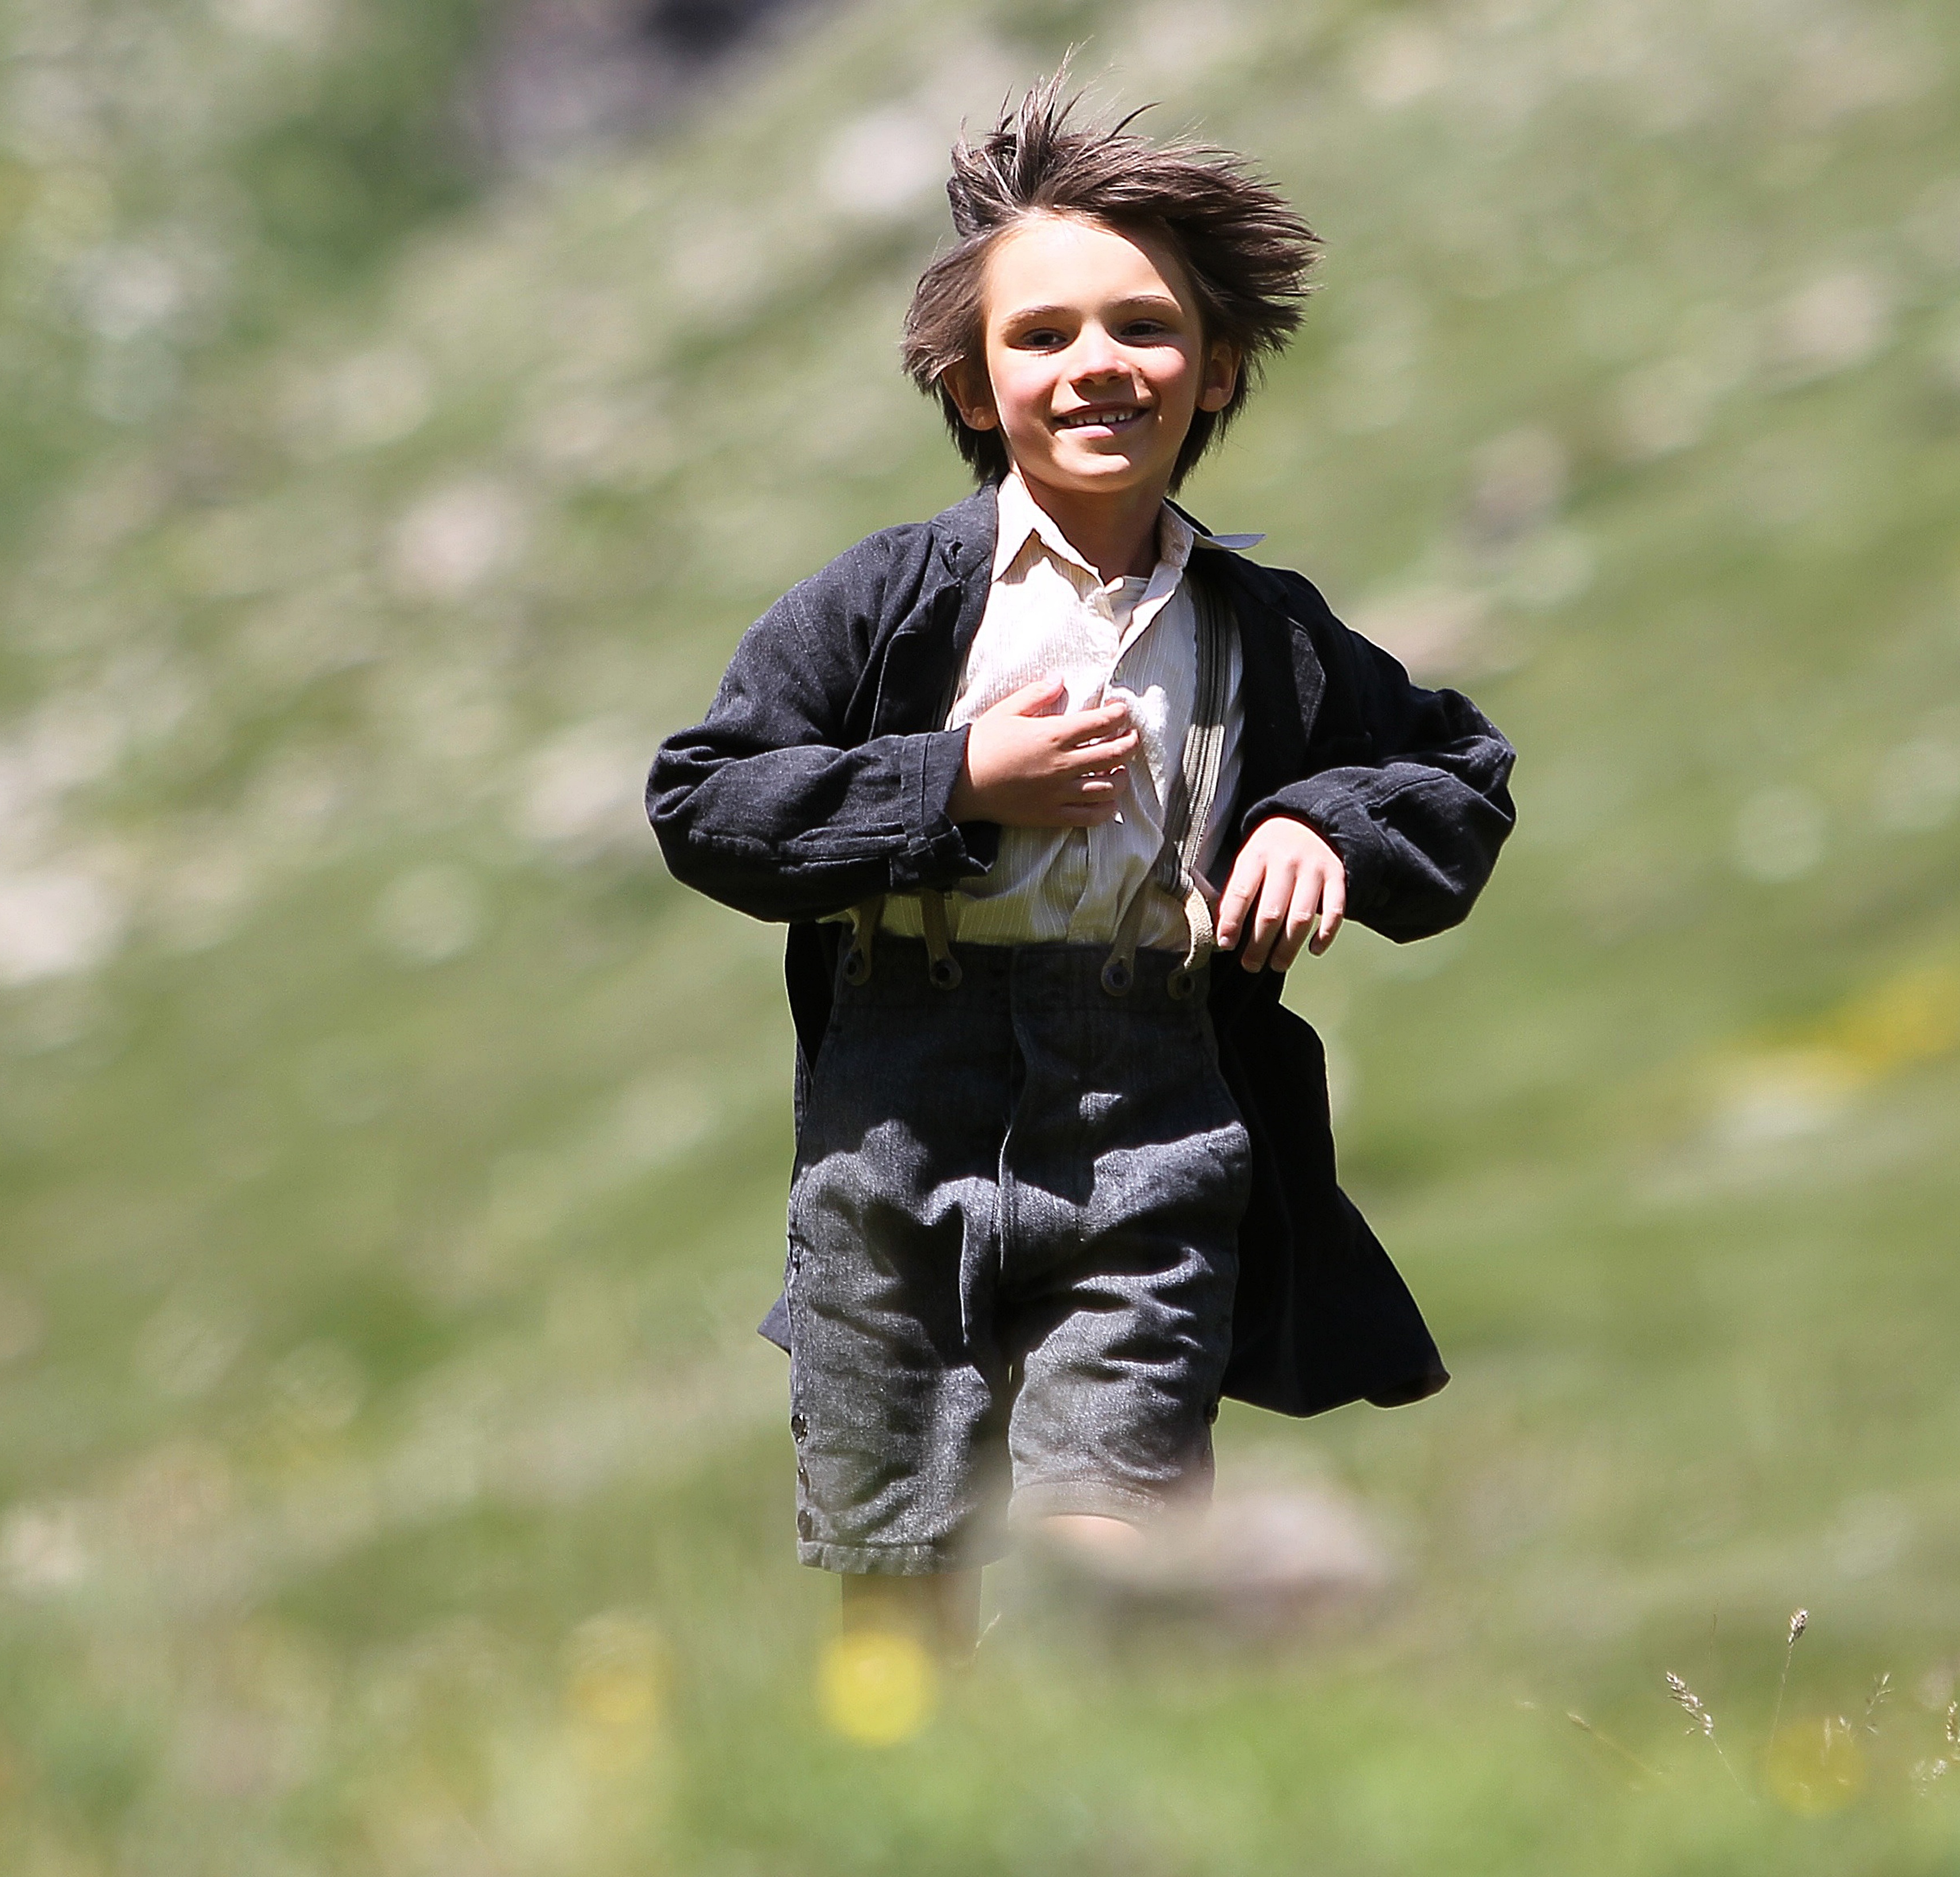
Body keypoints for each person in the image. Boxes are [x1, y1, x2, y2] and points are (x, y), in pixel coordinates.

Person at [646, 74, 1517, 1660]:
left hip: (1157, 1111)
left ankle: (1091, 1802)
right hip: (895, 1117)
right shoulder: (893, 601)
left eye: (1143, 327)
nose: (1095, 365)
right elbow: (705, 798)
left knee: (1111, 1526)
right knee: (896, 1537)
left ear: (1220, 367)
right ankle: (906, 1810)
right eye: (1041, 335)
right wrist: (955, 780)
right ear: (972, 388)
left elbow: (1457, 771)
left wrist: (1319, 826)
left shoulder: (1265, 626)